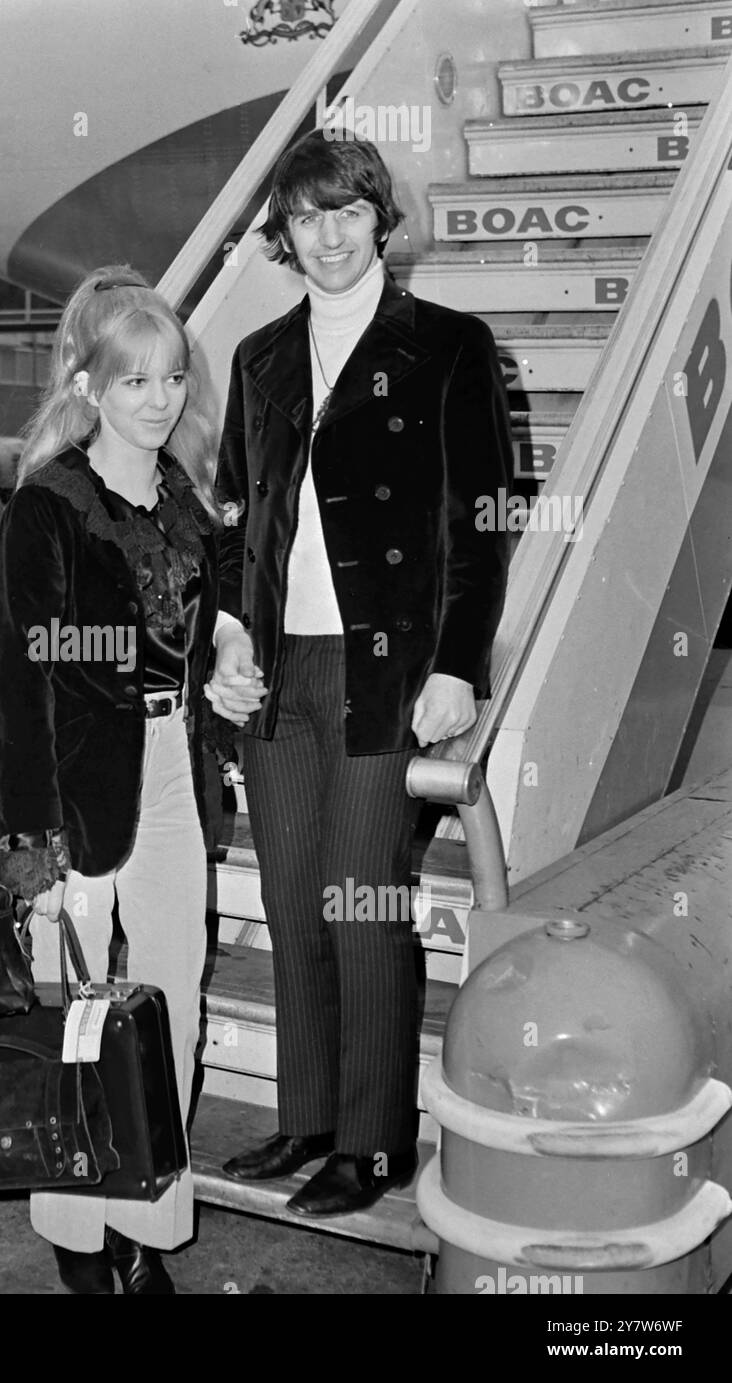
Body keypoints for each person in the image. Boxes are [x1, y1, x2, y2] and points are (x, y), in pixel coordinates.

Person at [210, 132, 512, 1215]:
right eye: (306, 219)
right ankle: (306, 1117)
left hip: (385, 667)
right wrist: (229, 638)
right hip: (279, 667)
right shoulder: (259, 357)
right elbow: (235, 522)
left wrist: (458, 667)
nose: (329, 237)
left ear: (379, 220)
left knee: (361, 897)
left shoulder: (447, 345)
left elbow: (480, 523)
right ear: (282, 235)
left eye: (347, 214)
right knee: (293, 901)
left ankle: (375, 1140)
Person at [0, 267, 231, 1294]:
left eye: (172, 377)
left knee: (171, 1007)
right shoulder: (48, 504)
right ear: (89, 385)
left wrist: (220, 658)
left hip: (174, 764)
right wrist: (33, 845)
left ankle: (143, 1220)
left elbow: (189, 633)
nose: (158, 398)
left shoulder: (182, 494)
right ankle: (78, 1239)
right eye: (134, 380)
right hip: (80, 779)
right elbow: (24, 672)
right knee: (77, 1020)